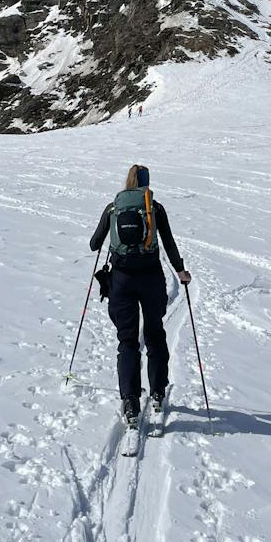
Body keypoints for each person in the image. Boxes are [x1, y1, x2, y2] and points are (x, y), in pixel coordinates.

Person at [89, 163, 191, 427]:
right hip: (151, 277)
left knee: (128, 340)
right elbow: (168, 242)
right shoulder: (154, 208)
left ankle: (131, 401)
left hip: (121, 281)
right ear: (146, 182)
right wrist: (180, 271)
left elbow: (93, 244)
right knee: (155, 334)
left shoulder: (113, 208)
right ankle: (157, 392)